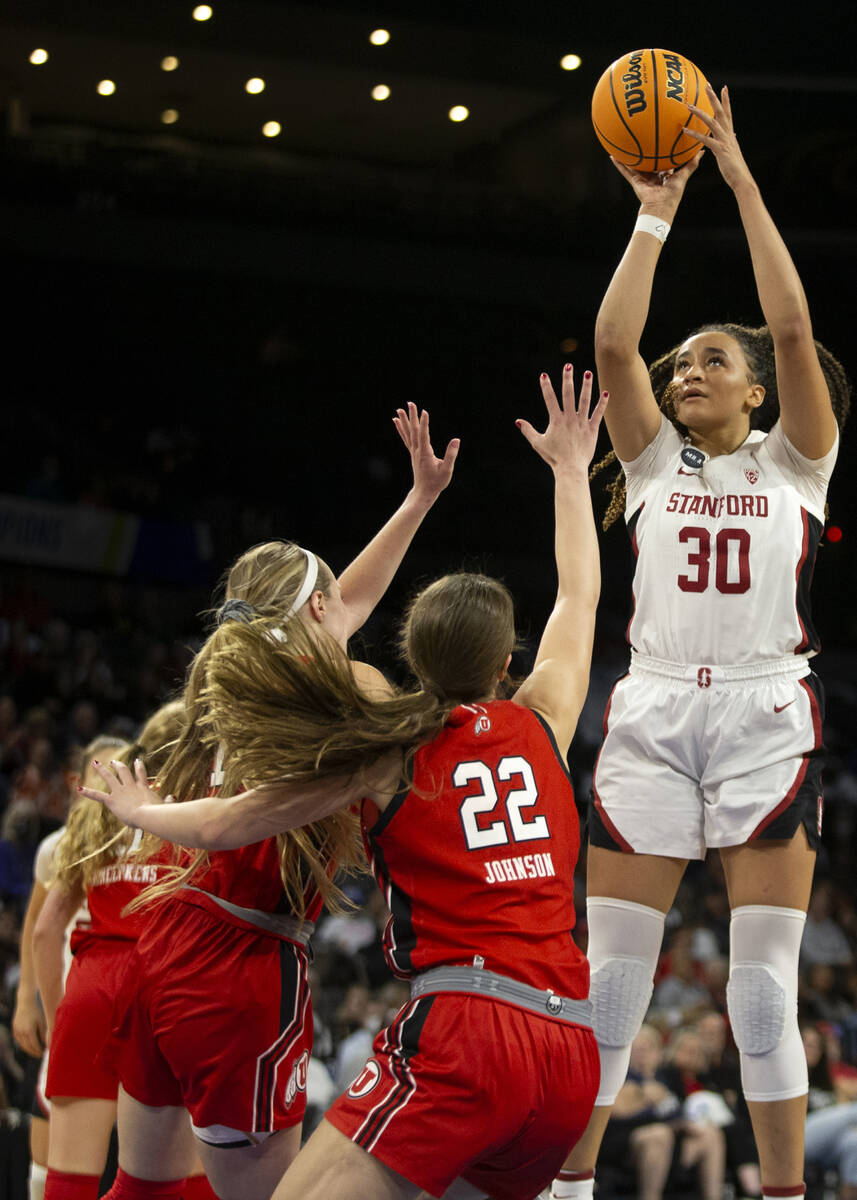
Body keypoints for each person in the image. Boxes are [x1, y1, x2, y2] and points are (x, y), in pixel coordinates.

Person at [81, 366, 607, 1200]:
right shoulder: (544, 715)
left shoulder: (378, 741)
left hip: (452, 1021)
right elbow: (580, 593)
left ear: (406, 654)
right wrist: (573, 472)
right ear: (505, 663)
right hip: (572, 1042)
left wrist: (143, 810)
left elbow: (229, 820)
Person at [548, 84, 851, 1200]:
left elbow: (786, 322)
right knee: (611, 986)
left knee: (762, 994)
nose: (683, 371)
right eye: (681, 365)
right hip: (653, 708)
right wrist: (652, 210)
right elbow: (613, 339)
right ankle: (570, 1188)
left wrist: (736, 177)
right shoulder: (647, 467)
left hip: (765, 712)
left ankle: (780, 1195)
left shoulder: (794, 462)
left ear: (759, 393)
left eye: (708, 361)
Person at [73, 403, 459, 1200]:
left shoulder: (235, 678)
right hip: (237, 970)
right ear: (314, 613)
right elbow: (227, 823)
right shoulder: (334, 700)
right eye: (331, 605)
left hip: (167, 940)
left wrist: (417, 501)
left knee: (143, 1187)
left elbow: (339, 605)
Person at [32, 715, 215, 1200]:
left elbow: (46, 930)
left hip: (90, 989)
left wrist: (57, 1023)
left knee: (67, 1178)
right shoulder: (197, 808)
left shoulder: (97, 811)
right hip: (163, 989)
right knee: (182, 1178)